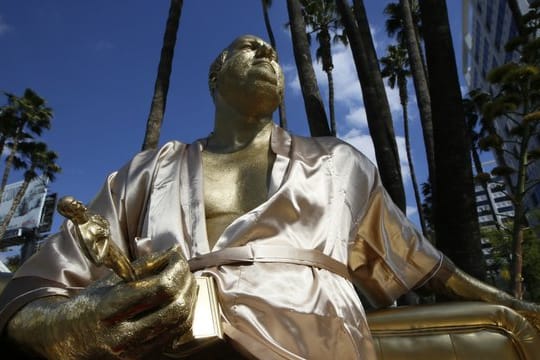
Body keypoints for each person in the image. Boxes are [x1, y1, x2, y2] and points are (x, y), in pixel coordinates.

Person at [0, 34, 539, 360]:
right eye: (248, 48)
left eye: (273, 53)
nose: (266, 53)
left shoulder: (338, 163)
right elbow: (39, 284)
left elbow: (424, 262)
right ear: (215, 80)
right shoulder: (148, 170)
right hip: (170, 344)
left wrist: (512, 305)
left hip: (315, 337)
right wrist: (64, 327)